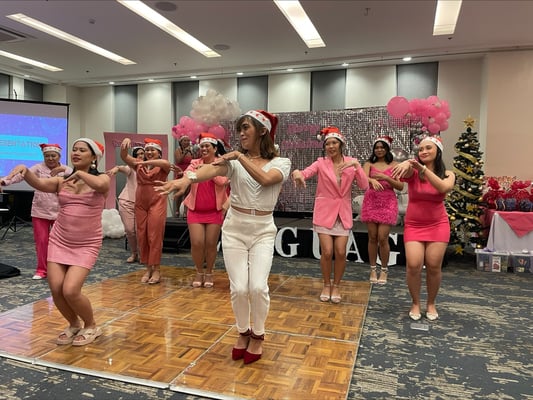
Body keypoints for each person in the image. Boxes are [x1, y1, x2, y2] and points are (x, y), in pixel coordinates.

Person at [155, 110, 291, 365]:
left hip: (263, 230)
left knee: (257, 287)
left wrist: (239, 157)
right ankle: (243, 332)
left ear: (262, 131)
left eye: (246, 128)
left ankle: (258, 335)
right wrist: (187, 179)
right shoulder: (234, 161)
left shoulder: (281, 162)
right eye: (239, 129)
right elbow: (209, 170)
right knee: (239, 288)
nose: (241, 133)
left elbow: (265, 180)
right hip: (235, 229)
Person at [4, 138, 109, 346]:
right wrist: (25, 170)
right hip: (60, 240)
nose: (76, 153)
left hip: (86, 243)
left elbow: (101, 185)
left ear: (93, 157)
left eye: (82, 150)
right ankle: (74, 324)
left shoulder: (102, 178)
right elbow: (39, 184)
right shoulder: (62, 181)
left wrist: (79, 173)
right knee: (56, 289)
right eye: (74, 149)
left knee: (70, 290)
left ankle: (91, 325)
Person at [291, 127, 368, 304]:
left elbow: (364, 185)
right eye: (327, 144)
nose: (331, 146)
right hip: (324, 213)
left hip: (343, 214)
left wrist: (357, 167)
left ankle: (337, 285)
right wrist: (297, 174)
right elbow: (305, 173)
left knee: (340, 252)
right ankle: (326, 284)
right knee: (327, 252)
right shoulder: (320, 163)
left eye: (334, 143)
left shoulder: (351, 162)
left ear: (341, 145)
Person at [391, 135, 455, 321]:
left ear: (438, 151)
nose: (424, 151)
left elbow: (443, 188)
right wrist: (406, 163)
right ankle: (415, 303)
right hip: (414, 225)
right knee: (413, 265)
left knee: (434, 266)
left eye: (428, 148)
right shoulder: (414, 172)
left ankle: (431, 303)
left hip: (438, 224)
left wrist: (423, 169)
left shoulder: (448, 174)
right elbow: (401, 172)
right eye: (421, 149)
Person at [1, 143, 72, 280]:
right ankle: (42, 270)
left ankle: (62, 269)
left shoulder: (66, 170)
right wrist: (4, 182)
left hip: (60, 212)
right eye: (47, 156)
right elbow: (21, 175)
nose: (50, 158)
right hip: (40, 211)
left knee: (60, 243)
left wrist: (64, 169)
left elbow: (77, 177)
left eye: (53, 156)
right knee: (41, 241)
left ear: (59, 156)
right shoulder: (38, 168)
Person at [183, 133, 230, 288]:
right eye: (202, 146)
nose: (203, 149)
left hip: (214, 211)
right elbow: (187, 175)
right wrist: (199, 170)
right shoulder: (194, 162)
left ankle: (209, 272)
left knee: (210, 243)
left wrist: (209, 170)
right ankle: (199, 271)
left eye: (207, 146)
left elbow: (223, 181)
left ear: (215, 149)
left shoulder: (221, 163)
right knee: (197, 243)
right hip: (195, 210)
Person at [120, 137, 170, 284]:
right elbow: (124, 156)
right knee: (142, 234)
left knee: (154, 235)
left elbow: (166, 163)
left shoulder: (162, 165)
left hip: (157, 201)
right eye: (147, 150)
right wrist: (125, 143)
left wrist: (143, 162)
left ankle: (157, 269)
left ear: (159, 152)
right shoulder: (139, 165)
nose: (149, 152)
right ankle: (148, 268)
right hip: (141, 202)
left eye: (152, 150)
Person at [361, 136, 404, 285]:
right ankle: (373, 269)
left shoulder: (395, 164)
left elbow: (400, 186)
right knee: (372, 237)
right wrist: (371, 180)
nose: (379, 150)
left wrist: (386, 177)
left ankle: (384, 269)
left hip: (388, 202)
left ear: (387, 149)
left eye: (382, 147)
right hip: (371, 201)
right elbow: (362, 179)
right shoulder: (369, 164)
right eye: (377, 147)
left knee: (382, 237)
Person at [106, 146, 145, 263]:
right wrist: (116, 169)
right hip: (127, 201)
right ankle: (134, 253)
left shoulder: (150, 168)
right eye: (138, 154)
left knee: (140, 230)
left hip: (143, 203)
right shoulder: (131, 168)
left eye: (142, 153)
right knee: (129, 230)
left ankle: (142, 253)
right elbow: (122, 168)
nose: (141, 156)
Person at [174, 135, 195, 217]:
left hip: (189, 172)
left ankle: (186, 211)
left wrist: (192, 152)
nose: (186, 142)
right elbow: (178, 160)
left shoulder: (191, 150)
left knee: (188, 192)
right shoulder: (178, 150)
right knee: (179, 192)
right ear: (181, 142)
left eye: (188, 141)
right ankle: (177, 210)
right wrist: (185, 152)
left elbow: (194, 160)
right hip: (180, 172)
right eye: (185, 140)